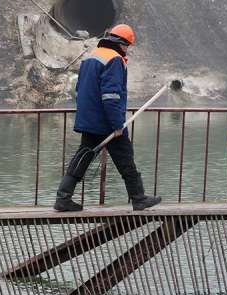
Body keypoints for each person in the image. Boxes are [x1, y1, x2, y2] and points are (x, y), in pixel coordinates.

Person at [54, 24, 161, 212]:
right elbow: (110, 96)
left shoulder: (92, 56)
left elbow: (80, 90)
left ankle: (63, 198)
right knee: (125, 158)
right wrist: (117, 124)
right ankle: (138, 198)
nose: (127, 49)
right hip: (106, 122)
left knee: (83, 157)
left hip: (90, 120)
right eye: (127, 45)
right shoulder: (115, 60)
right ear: (122, 43)